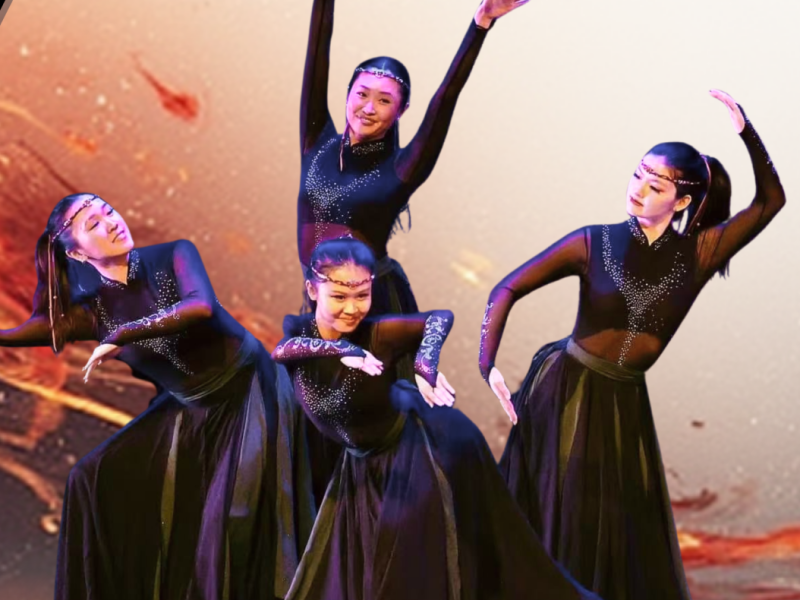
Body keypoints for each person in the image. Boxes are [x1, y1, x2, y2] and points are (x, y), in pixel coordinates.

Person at [478, 90, 785, 599]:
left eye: (656, 182)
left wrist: (746, 132)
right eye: (638, 174)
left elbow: (771, 201)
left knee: (614, 532)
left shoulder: (701, 252)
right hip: (566, 393)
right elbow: (506, 288)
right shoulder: (593, 241)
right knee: (561, 516)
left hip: (624, 408)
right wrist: (488, 363)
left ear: (682, 201)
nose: (639, 188)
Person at [0, 193, 316, 600]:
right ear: (76, 254)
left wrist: (125, 333)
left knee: (230, 516)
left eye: (109, 211)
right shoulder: (92, 309)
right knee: (90, 475)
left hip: (247, 389)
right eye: (93, 224)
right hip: (192, 406)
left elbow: (199, 306)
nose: (111, 222)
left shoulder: (172, 257)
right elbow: (33, 332)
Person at [272, 237, 601, 600]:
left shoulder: (378, 334)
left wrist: (423, 364)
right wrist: (340, 349)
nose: (352, 308)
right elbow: (282, 351)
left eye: (362, 295)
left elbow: (439, 318)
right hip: (364, 467)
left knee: (427, 573)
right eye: (339, 296)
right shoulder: (298, 333)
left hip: (423, 450)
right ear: (312, 290)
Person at [297, 0, 529, 316]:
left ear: (401, 111)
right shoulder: (316, 141)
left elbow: (446, 96)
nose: (368, 107)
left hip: (373, 311)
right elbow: (317, 49)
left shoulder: (401, 169)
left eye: (383, 100)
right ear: (348, 92)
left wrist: (481, 24)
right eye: (362, 94)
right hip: (319, 304)